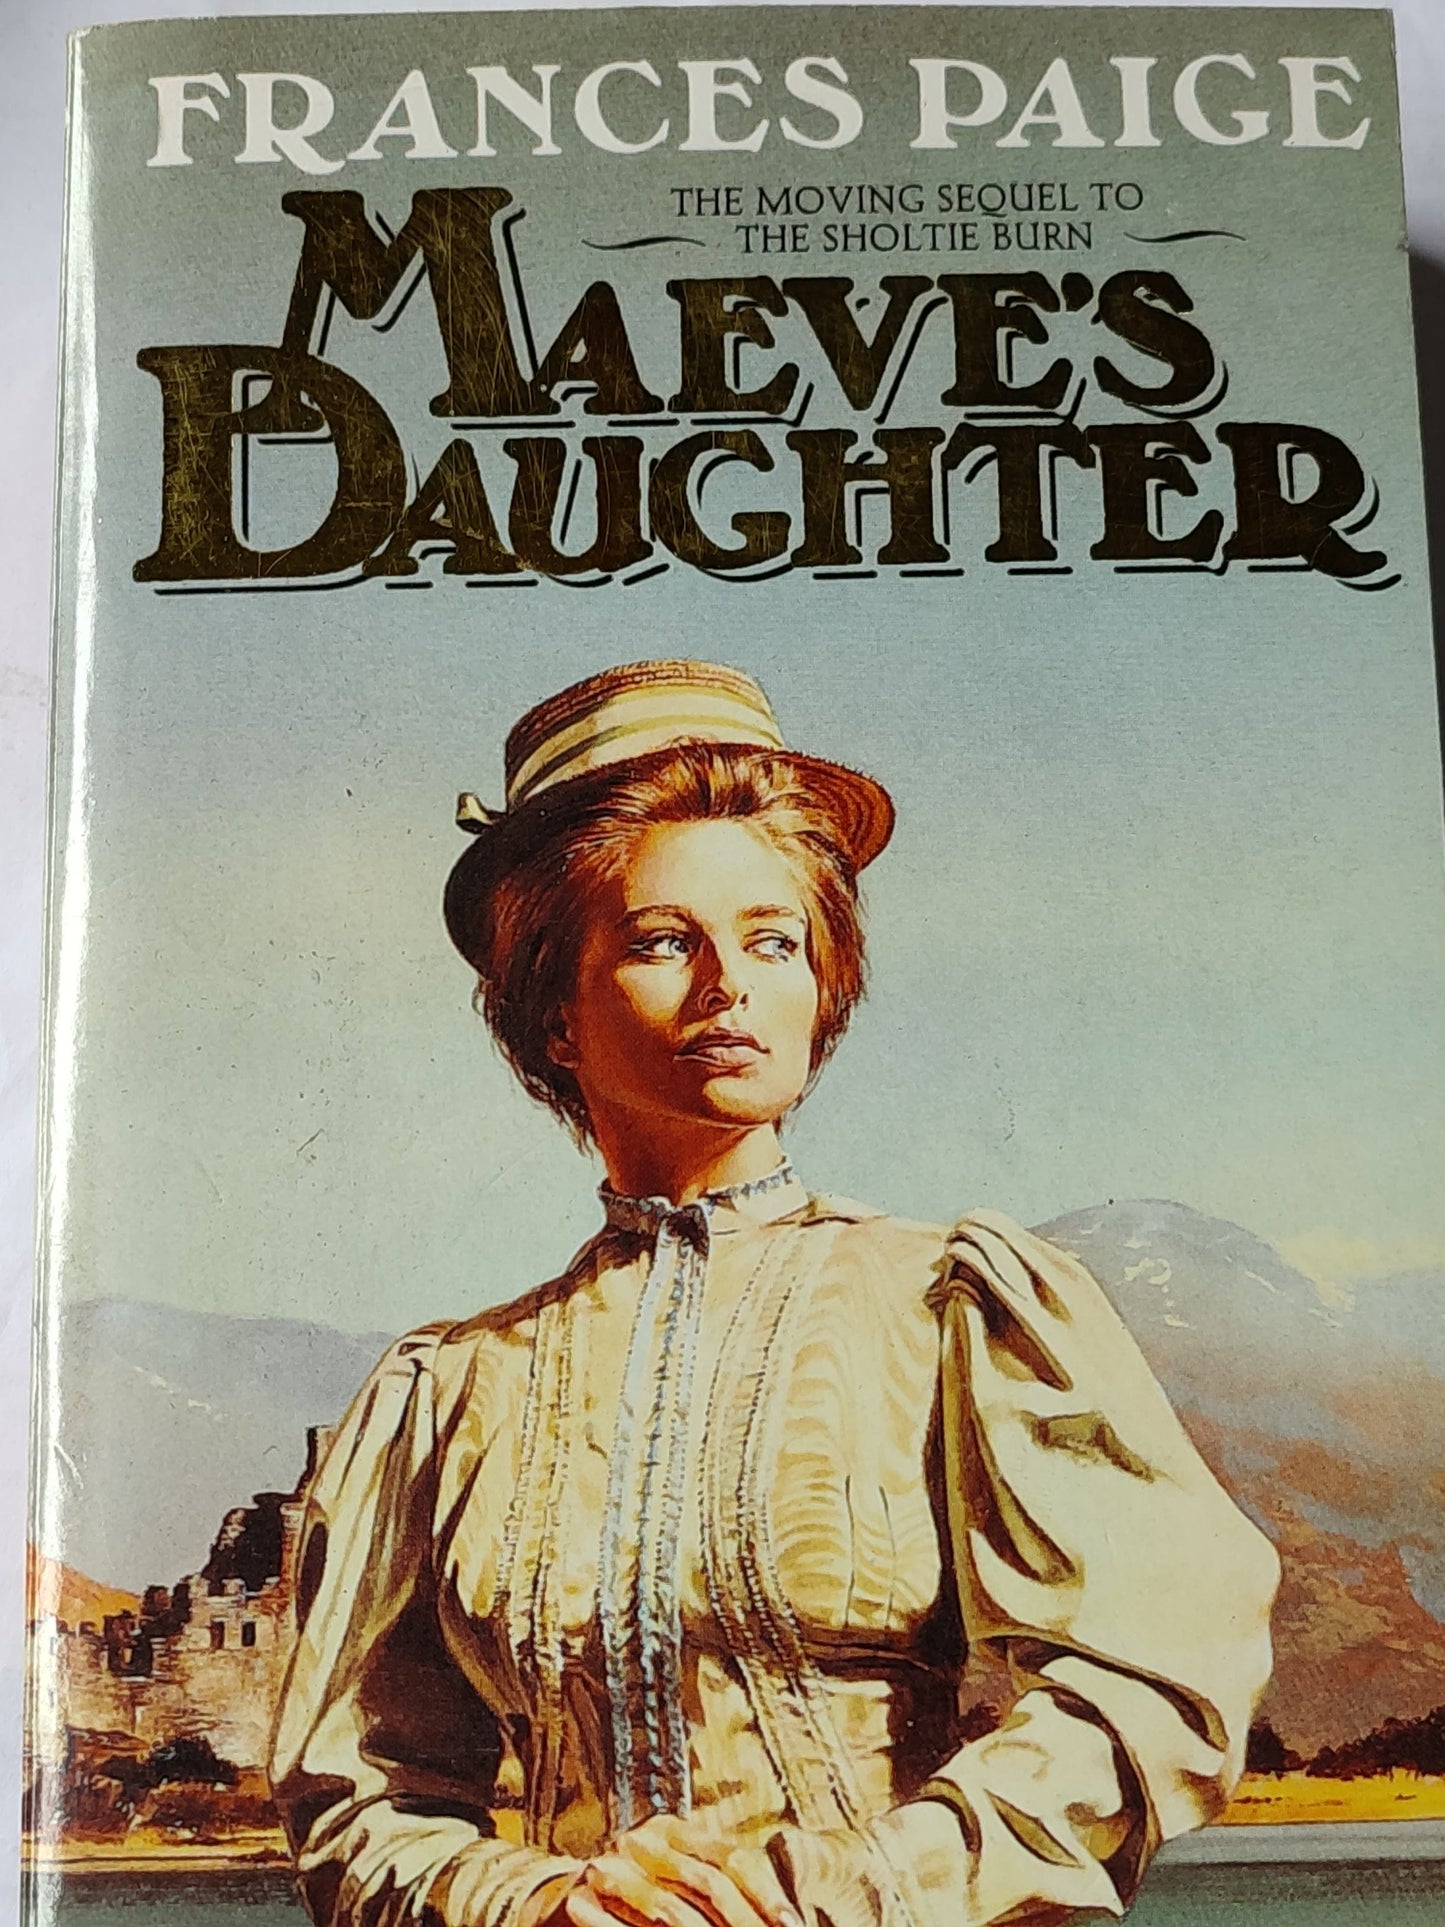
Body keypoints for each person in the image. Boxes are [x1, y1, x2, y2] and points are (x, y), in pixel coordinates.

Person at [270, 660, 1279, 1927]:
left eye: (772, 939)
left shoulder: (952, 1306)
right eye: (660, 940)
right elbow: (361, 1798)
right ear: (554, 1014)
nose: (727, 984)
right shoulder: (450, 1390)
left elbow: (1152, 1674)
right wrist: (537, 1906)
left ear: (821, 985)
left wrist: (855, 1886)